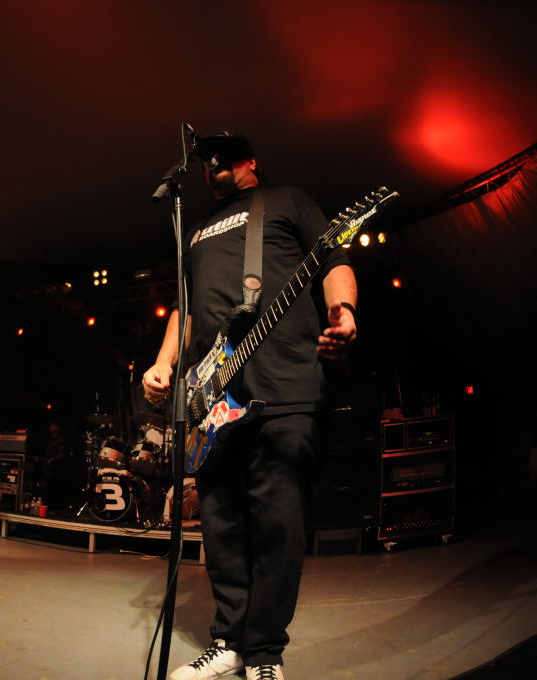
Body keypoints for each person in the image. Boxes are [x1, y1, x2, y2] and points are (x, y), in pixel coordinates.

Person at [142, 131, 357, 680]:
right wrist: (164, 364)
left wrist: (344, 309)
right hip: (214, 399)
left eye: (226, 156)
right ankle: (228, 643)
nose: (214, 164)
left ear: (250, 161)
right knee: (222, 526)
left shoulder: (286, 201)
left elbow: (334, 259)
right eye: (207, 160)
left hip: (283, 386)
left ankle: (264, 654)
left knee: (279, 527)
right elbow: (184, 309)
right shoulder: (195, 231)